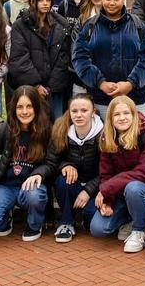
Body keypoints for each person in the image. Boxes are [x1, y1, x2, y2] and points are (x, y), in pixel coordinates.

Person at [0, 85, 50, 241]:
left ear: (36, 107)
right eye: (20, 107)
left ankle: (35, 225)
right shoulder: (1, 131)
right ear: (13, 109)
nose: (24, 111)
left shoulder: (46, 131)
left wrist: (38, 173)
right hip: (5, 186)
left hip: (30, 187)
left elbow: (52, 163)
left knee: (35, 195)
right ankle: (4, 222)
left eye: (29, 106)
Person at [73, 0, 145, 119]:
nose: (111, 3)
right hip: (100, 100)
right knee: (104, 140)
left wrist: (131, 83)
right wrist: (100, 83)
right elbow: (80, 58)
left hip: (135, 99)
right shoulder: (89, 26)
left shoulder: (138, 26)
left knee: (137, 139)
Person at [89, 95, 145, 253]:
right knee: (98, 229)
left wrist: (106, 188)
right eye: (117, 114)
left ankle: (139, 230)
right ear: (110, 118)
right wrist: (108, 201)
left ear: (134, 114)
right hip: (120, 195)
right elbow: (105, 174)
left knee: (133, 188)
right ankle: (131, 219)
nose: (122, 118)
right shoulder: (108, 137)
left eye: (126, 113)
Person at [31, 92, 103, 242]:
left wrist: (88, 191)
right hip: (72, 184)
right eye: (74, 111)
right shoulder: (61, 130)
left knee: (93, 224)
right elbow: (52, 162)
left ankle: (84, 216)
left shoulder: (104, 134)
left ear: (93, 112)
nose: (79, 115)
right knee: (64, 180)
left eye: (84, 111)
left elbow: (109, 171)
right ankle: (66, 222)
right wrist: (64, 165)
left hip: (96, 187)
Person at [8, 0, 73, 119]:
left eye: (48, 0)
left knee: (55, 130)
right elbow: (19, 58)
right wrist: (35, 85)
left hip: (54, 90)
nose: (45, 3)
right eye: (41, 0)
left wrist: (50, 88)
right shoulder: (20, 26)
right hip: (29, 90)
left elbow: (64, 58)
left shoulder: (62, 25)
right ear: (33, 1)